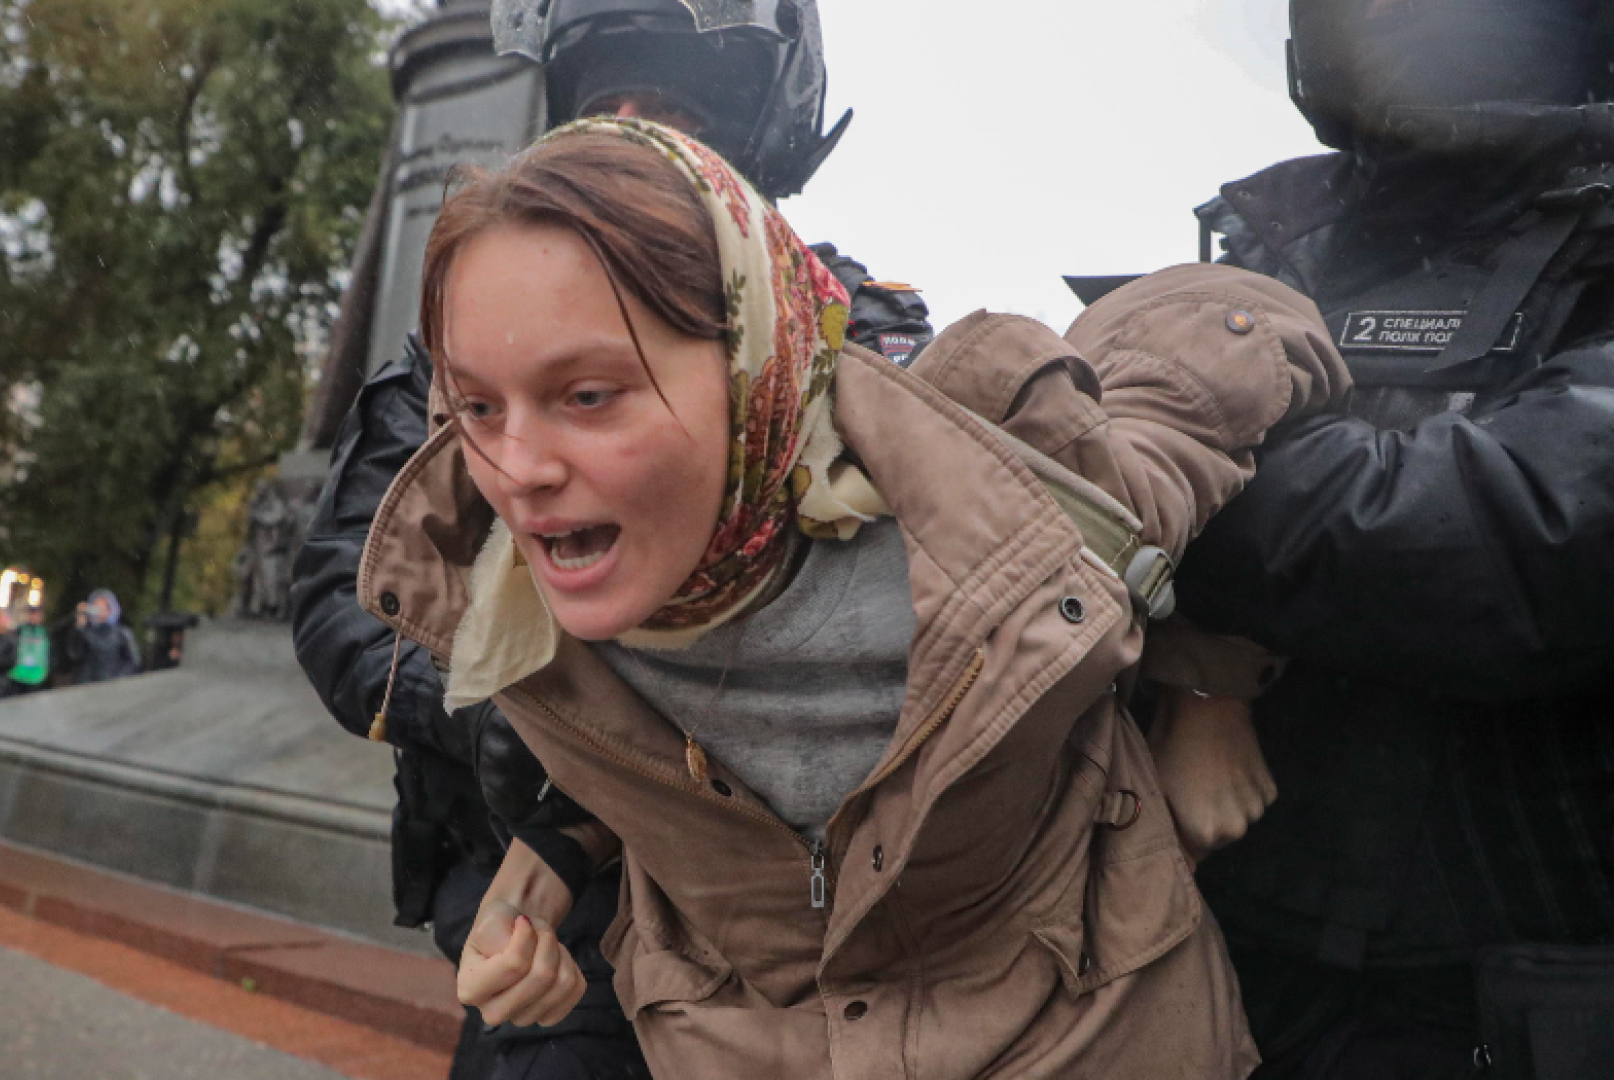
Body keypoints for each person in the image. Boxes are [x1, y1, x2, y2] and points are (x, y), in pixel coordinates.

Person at [356, 118, 1348, 1079]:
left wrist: (1212, 681)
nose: (517, 468)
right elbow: (673, 756)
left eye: (588, 396)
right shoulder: (507, 589)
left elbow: (1227, 326)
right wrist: (547, 859)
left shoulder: (995, 490)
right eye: (478, 405)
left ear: (751, 361)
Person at [292, 4, 930, 1077]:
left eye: (673, 111)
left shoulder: (855, 321)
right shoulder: (467, 338)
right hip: (552, 922)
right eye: (607, 106)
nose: (629, 133)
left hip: (798, 909)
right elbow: (346, 594)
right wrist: (498, 717)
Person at [1140, 1, 1614, 1075]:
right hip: (1238, 949)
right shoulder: (1277, 235)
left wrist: (1172, 478)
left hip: (1539, 975)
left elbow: (1519, 536)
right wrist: (1199, 681)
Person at [67, 589, 140, 685]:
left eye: (103, 607)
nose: (100, 610)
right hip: (89, 685)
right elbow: (75, 656)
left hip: (115, 685)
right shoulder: (86, 633)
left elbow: (133, 661)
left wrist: (118, 679)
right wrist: (79, 627)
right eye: (96, 607)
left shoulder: (122, 633)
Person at [8, 605, 52, 693]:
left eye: (36, 614)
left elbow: (51, 652)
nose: (34, 617)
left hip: (38, 675)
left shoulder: (46, 631)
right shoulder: (20, 630)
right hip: (20, 674)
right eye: (32, 614)